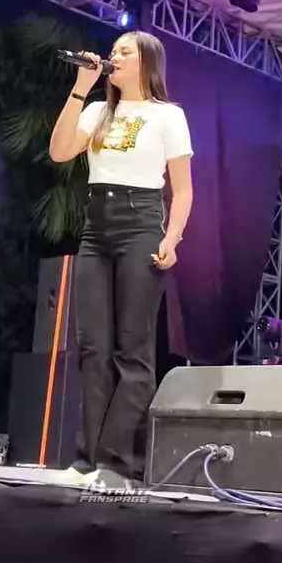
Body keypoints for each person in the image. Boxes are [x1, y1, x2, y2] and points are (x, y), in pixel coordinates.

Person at [49, 31, 193, 486]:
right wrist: (80, 88)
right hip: (98, 225)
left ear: (147, 61)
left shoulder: (168, 115)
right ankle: (86, 460)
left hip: (140, 222)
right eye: (113, 51)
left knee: (133, 350)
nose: (114, 57)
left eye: (125, 52)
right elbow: (60, 151)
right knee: (93, 348)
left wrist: (172, 237)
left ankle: (116, 464)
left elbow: (183, 188)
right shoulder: (97, 111)